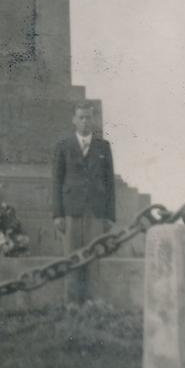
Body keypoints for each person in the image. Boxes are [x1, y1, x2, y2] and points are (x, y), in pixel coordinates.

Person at [52, 101, 116, 304]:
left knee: (94, 258)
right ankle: (71, 303)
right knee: (71, 258)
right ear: (74, 120)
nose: (85, 121)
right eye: (81, 117)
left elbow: (110, 183)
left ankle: (92, 302)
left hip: (96, 212)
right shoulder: (63, 147)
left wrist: (109, 216)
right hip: (72, 210)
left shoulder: (103, 147)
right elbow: (57, 181)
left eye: (88, 117)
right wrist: (58, 214)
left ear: (93, 120)